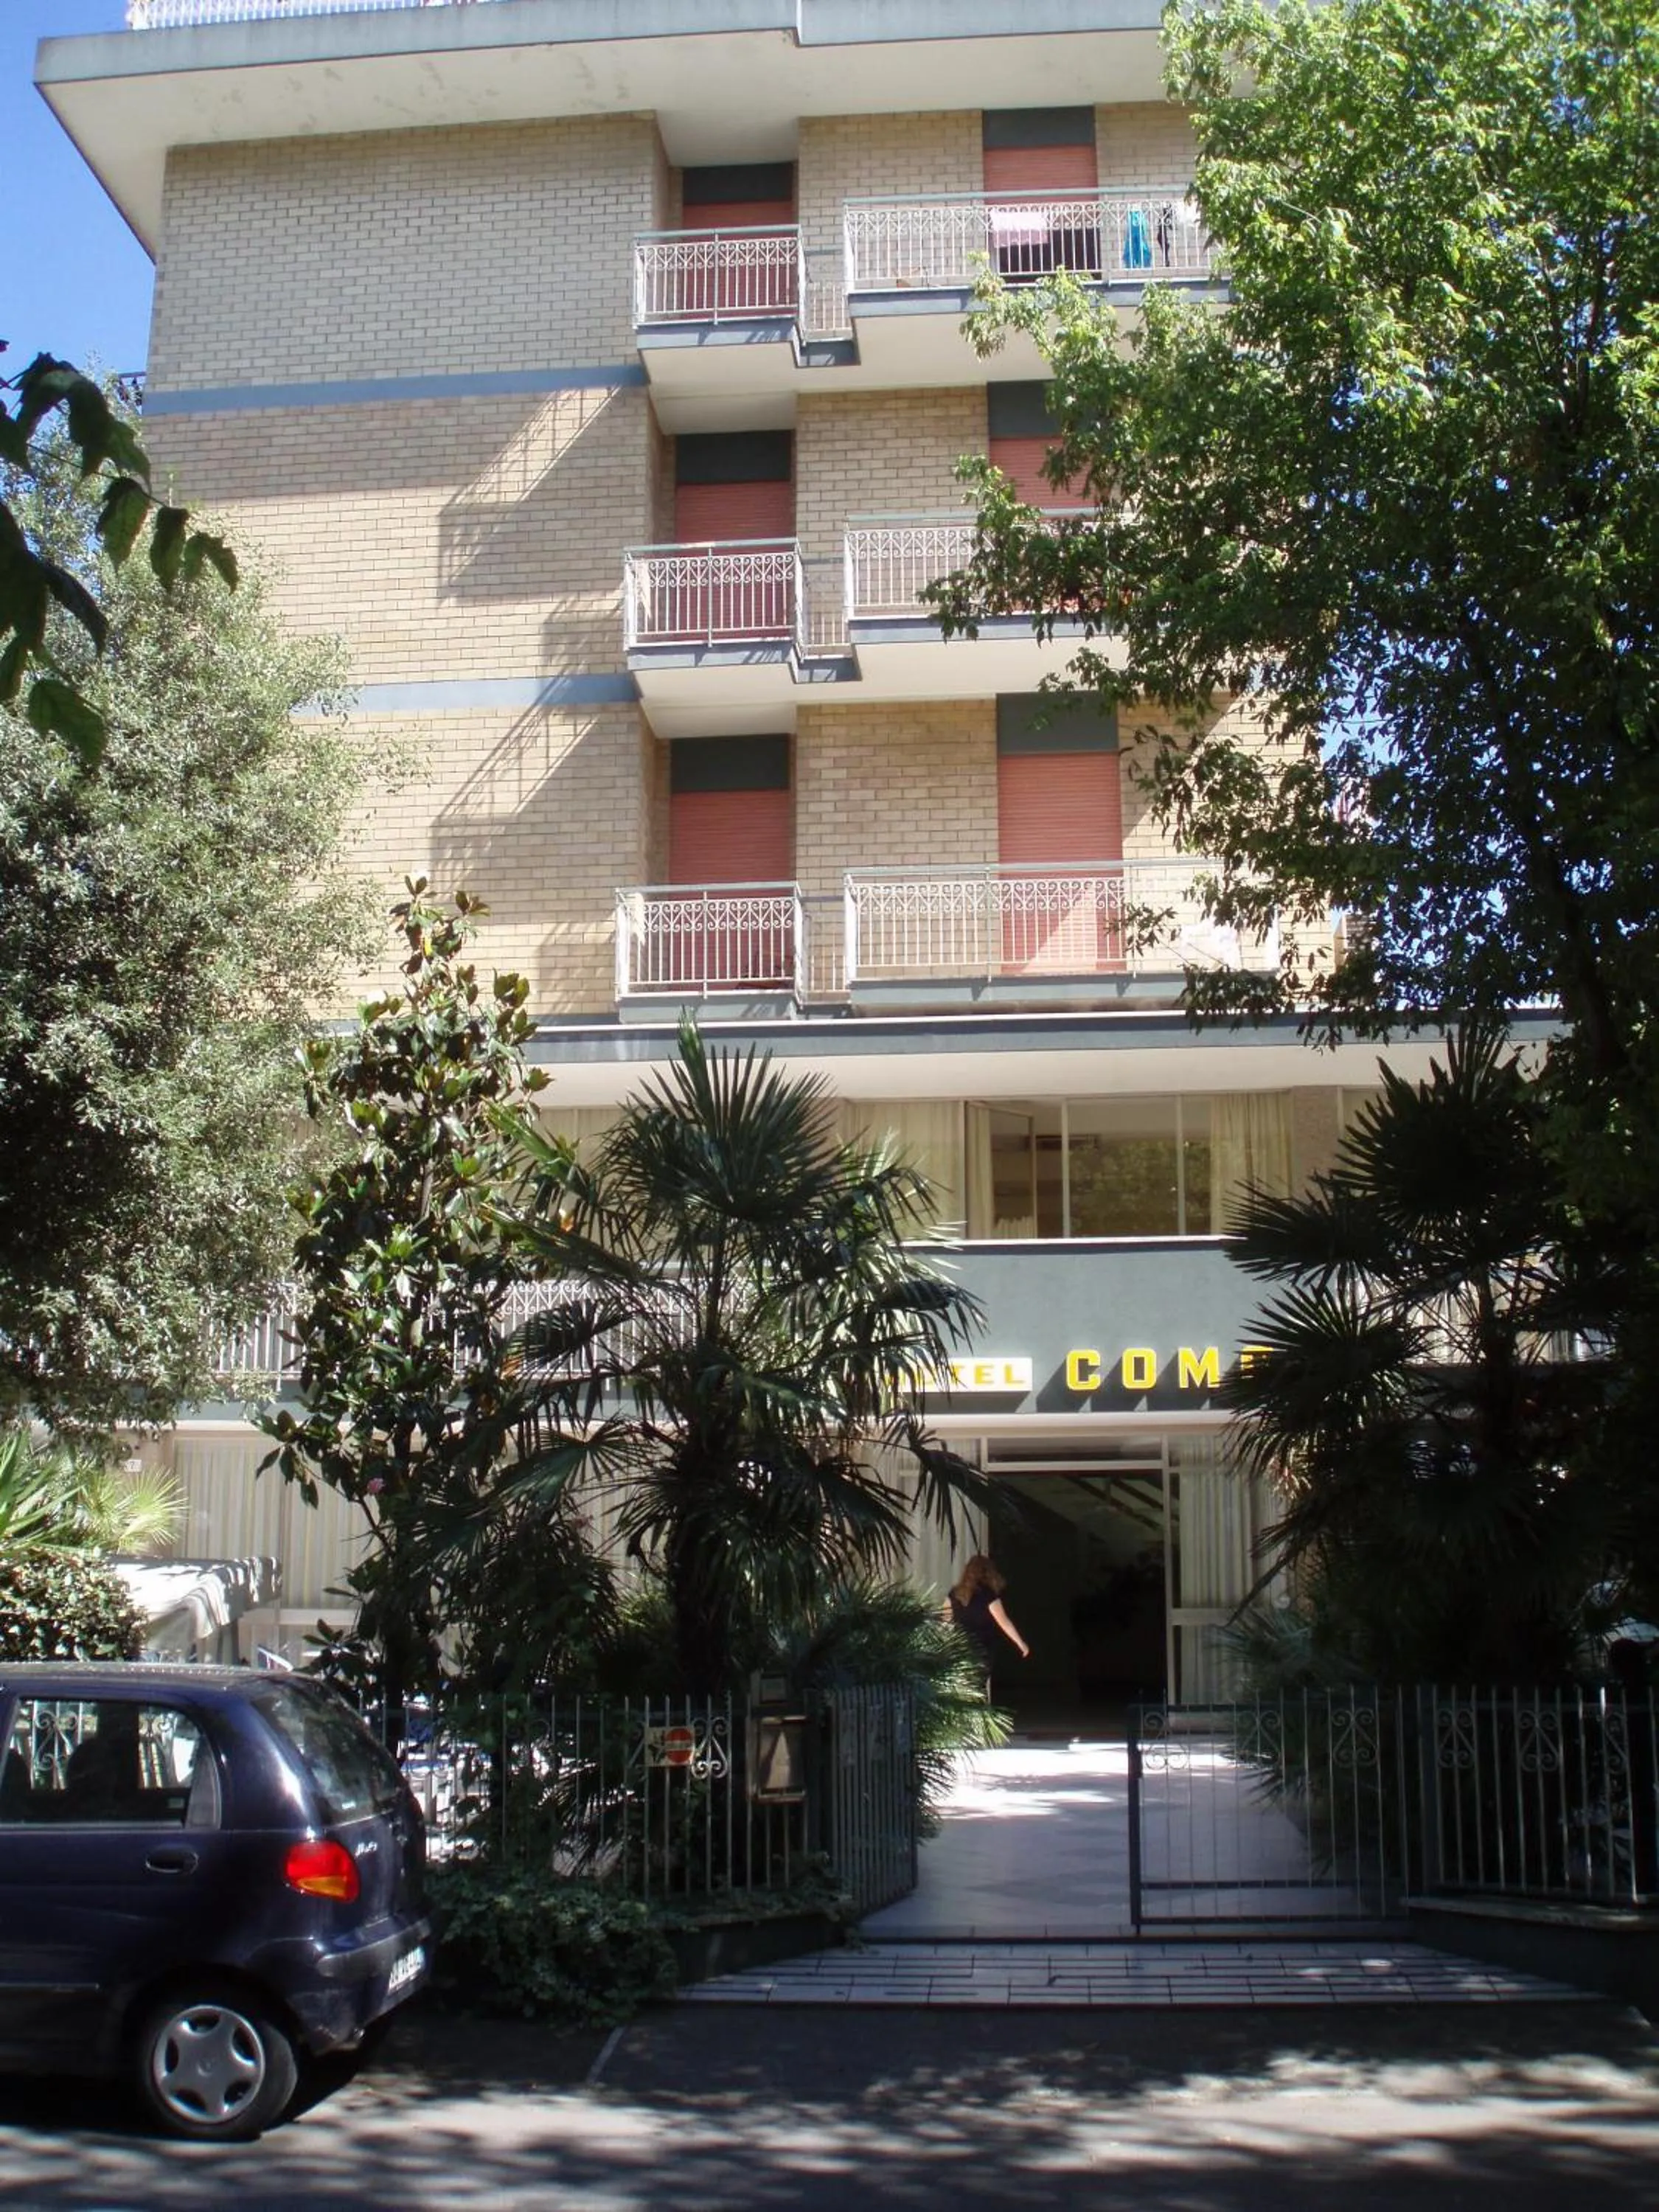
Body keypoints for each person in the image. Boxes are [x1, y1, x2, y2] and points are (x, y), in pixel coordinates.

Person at [948, 1555, 1030, 1690]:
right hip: (982, 1649)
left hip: (959, 1648)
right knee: (977, 1687)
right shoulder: (988, 1595)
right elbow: (1004, 1623)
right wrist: (1021, 1644)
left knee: (964, 1687)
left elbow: (943, 1620)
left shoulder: (954, 1594)